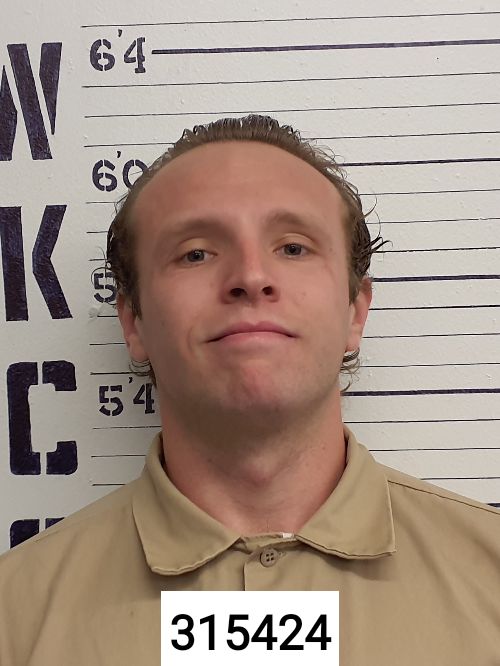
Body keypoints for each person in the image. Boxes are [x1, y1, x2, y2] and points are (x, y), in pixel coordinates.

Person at [0, 115, 499, 665]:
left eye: (293, 247)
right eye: (196, 253)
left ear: (355, 312)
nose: (251, 276)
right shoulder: (14, 618)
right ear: (133, 323)